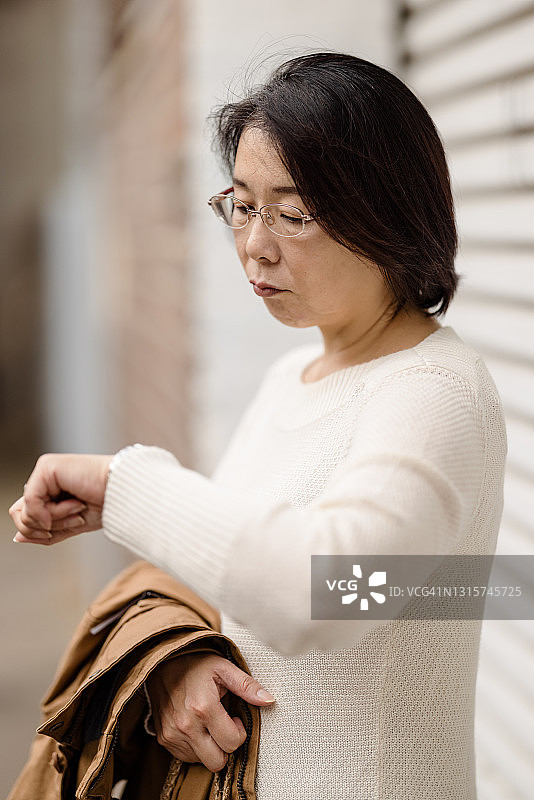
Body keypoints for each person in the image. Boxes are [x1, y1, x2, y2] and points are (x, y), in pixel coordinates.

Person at [10, 52, 506, 800]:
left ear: (389, 212)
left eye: (293, 214)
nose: (255, 245)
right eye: (242, 204)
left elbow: (333, 593)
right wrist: (178, 664)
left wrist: (125, 488)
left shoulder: (433, 393)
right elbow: (233, 580)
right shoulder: (291, 380)